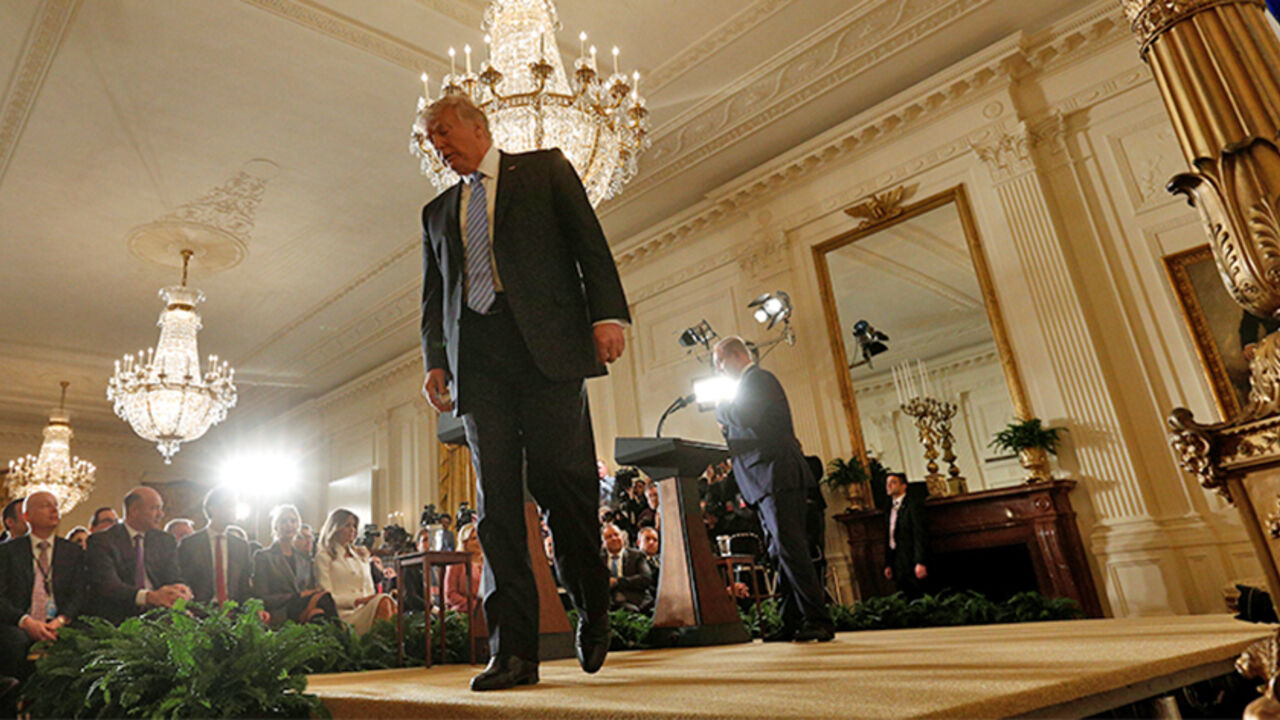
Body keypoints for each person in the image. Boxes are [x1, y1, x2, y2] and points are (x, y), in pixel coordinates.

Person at [418, 93, 628, 691]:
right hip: (478, 360)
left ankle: (592, 601)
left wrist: (607, 315)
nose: (438, 144)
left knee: (564, 485)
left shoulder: (545, 169)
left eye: (443, 131)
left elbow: (589, 243)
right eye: (431, 139)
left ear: (477, 125)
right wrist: (436, 361)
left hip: (548, 347)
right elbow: (435, 299)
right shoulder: (436, 212)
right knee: (497, 507)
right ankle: (513, 654)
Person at [713, 337, 834, 643]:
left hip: (777, 475)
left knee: (792, 551)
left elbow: (746, 418)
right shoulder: (747, 387)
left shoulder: (758, 379)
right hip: (763, 481)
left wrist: (721, 410)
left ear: (737, 355)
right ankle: (792, 621)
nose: (718, 369)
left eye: (719, 362)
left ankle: (818, 618)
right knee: (778, 555)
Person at [0, 492, 86, 684]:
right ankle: (16, 703)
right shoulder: (8, 552)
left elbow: (79, 593)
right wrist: (26, 622)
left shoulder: (72, 552)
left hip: (60, 621)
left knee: (85, 638)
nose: (54, 509)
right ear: (27, 516)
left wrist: (61, 621)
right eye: (46, 505)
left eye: (56, 505)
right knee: (13, 642)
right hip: (20, 623)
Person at [85, 487, 191, 624]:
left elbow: (173, 575)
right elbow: (108, 586)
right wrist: (149, 597)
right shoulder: (102, 541)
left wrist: (180, 588)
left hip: (160, 616)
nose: (161, 514)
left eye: (161, 508)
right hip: (117, 617)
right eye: (154, 508)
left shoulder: (165, 540)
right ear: (134, 510)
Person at [314, 508, 395, 635]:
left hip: (366, 609)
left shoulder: (360, 555)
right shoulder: (324, 557)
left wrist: (367, 600)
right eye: (347, 525)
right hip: (344, 614)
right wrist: (357, 601)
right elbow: (326, 597)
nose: (352, 529)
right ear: (335, 528)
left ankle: (388, 647)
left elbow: (370, 590)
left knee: (389, 602)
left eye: (354, 526)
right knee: (384, 602)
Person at [252, 505, 336, 624]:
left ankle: (340, 638)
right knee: (324, 600)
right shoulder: (264, 557)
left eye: (293, 521)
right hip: (281, 610)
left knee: (318, 614)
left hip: (306, 608)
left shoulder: (304, 559)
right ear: (276, 526)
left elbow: (311, 590)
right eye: (284, 521)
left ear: (298, 526)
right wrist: (297, 596)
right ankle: (346, 638)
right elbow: (261, 597)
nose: (289, 525)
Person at [177, 487, 255, 611]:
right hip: (199, 612)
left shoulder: (241, 546)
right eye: (230, 505)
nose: (234, 510)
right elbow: (183, 580)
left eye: (235, 506)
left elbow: (244, 586)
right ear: (213, 508)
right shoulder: (190, 544)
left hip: (233, 613)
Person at [883, 472, 928, 599]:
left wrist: (920, 562)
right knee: (903, 595)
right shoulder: (889, 509)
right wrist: (888, 563)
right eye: (887, 483)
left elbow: (919, 534)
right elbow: (889, 537)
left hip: (911, 558)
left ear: (904, 486)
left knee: (918, 595)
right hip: (897, 560)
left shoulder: (913, 505)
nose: (889, 486)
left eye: (893, 482)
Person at [600, 523, 653, 613]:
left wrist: (617, 581)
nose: (614, 538)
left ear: (622, 537)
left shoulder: (637, 556)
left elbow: (646, 578)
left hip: (634, 599)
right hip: (608, 601)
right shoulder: (599, 559)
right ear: (603, 542)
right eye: (609, 537)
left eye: (616, 535)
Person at [444, 523, 484, 614]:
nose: (478, 541)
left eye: (479, 537)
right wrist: (474, 605)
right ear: (464, 542)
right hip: (463, 612)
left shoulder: (486, 563)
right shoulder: (455, 563)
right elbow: (450, 594)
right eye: (474, 538)